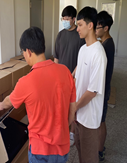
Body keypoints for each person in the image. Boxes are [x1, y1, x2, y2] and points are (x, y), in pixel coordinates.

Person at [0, 27, 76, 163]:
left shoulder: (26, 81)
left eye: (23, 53)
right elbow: (72, 112)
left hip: (40, 151)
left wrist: (0, 105)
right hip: (62, 147)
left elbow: (9, 102)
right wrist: (60, 131)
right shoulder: (66, 72)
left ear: (28, 51)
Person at [75, 7, 107, 163]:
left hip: (89, 118)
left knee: (89, 157)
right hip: (79, 114)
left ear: (90, 25)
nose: (77, 29)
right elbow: (79, 72)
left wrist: (74, 106)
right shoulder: (82, 49)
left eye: (80, 25)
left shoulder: (98, 54)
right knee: (80, 151)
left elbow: (92, 91)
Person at [54, 6, 85, 146]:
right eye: (63, 19)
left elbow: (82, 59)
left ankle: (72, 133)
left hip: (74, 78)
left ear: (74, 19)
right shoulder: (60, 35)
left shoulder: (79, 36)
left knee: (73, 105)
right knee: (60, 104)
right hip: (60, 77)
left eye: (67, 19)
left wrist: (74, 75)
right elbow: (56, 57)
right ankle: (61, 129)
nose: (65, 21)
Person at [96, 11, 115, 162]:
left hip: (103, 89)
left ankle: (100, 151)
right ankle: (100, 146)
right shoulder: (105, 42)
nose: (95, 30)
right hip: (103, 88)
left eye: (98, 27)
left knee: (101, 121)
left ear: (106, 28)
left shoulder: (107, 45)